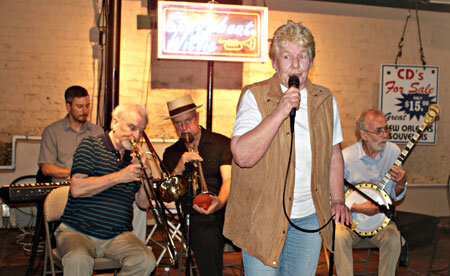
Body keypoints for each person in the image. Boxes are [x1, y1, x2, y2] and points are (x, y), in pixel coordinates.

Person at [222, 20, 352, 275]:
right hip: (263, 217)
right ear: (274, 62)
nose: (295, 64)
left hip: (309, 217)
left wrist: (337, 199)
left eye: (302, 56)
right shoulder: (255, 96)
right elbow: (242, 156)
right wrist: (280, 111)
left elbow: (333, 154)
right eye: (287, 56)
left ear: (311, 62)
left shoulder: (325, 99)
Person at [55, 104, 156, 276]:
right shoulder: (90, 145)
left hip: (117, 235)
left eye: (141, 131)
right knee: (78, 259)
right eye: (132, 128)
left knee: (146, 261)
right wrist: (119, 176)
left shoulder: (132, 158)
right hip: (78, 230)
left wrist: (147, 174)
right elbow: (77, 189)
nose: (136, 136)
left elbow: (143, 203)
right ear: (115, 123)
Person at [162, 95, 232, 276]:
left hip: (227, 207)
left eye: (188, 121)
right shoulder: (171, 153)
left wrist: (221, 201)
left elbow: (229, 180)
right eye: (178, 123)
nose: (184, 128)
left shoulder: (221, 142)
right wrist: (178, 167)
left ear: (197, 118)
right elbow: (168, 195)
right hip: (195, 213)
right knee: (207, 235)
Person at [334, 109, 407, 276]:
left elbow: (395, 195)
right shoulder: (346, 157)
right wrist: (357, 208)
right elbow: (334, 196)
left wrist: (401, 183)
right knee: (338, 236)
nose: (385, 135)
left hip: (380, 221)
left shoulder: (393, 152)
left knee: (393, 238)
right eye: (378, 131)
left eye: (386, 129)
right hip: (351, 221)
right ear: (363, 135)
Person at [38, 86, 104, 183]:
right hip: (62, 188)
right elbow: (47, 168)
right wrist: (74, 174)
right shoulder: (52, 132)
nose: (85, 111)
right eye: (80, 107)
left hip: (90, 188)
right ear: (68, 107)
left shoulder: (97, 132)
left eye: (87, 106)